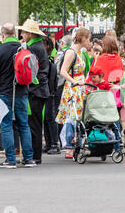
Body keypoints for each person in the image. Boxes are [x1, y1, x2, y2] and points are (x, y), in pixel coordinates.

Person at [0, 23, 36, 168]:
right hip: (22, 92)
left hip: (4, 93)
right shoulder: (23, 49)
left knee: (6, 125)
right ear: (15, 33)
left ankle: (10, 160)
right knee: (24, 125)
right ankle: (28, 159)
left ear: (2, 35)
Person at [18, 19, 50, 164]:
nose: (22, 34)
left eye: (24, 32)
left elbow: (32, 72)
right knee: (35, 124)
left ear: (30, 34)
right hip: (39, 90)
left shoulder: (34, 48)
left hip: (35, 91)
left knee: (34, 125)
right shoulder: (37, 45)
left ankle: (35, 156)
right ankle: (35, 155)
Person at [55, 28, 90, 159]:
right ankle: (69, 146)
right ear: (83, 38)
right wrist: (74, 81)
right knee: (72, 117)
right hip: (73, 88)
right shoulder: (71, 52)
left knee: (78, 116)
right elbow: (63, 71)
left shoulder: (80, 52)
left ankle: (77, 144)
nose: (89, 41)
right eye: (88, 38)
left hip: (79, 87)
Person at [42, 36, 61, 155]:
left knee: (51, 117)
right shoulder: (47, 58)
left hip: (52, 92)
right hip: (47, 91)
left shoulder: (53, 57)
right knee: (46, 118)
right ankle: (49, 143)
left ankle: (54, 143)